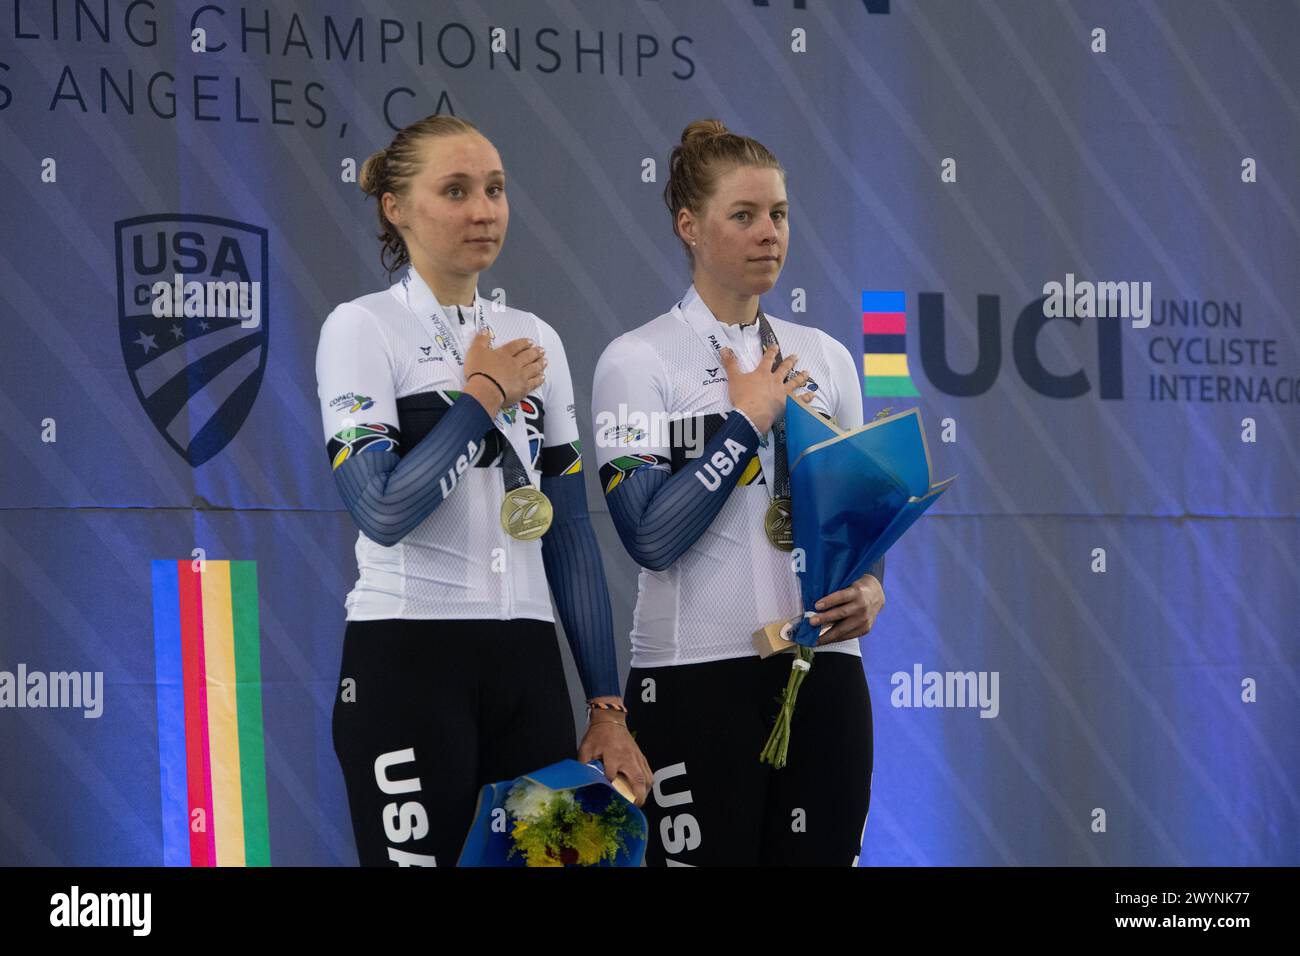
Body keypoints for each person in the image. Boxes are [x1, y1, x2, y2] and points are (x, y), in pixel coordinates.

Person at [316, 114, 651, 866]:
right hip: (408, 660)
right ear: (395, 208)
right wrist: (479, 400)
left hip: (528, 670)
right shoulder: (361, 329)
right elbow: (382, 509)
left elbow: (568, 533)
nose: (483, 210)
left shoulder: (536, 337)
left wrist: (605, 705)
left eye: (495, 190)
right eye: (456, 190)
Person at [591, 119, 887, 866]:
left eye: (779, 215)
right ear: (690, 226)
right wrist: (747, 420)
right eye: (744, 216)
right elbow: (650, 539)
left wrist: (873, 588)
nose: (769, 234)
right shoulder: (637, 360)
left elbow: (856, 526)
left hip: (825, 678)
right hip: (694, 684)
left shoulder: (827, 356)